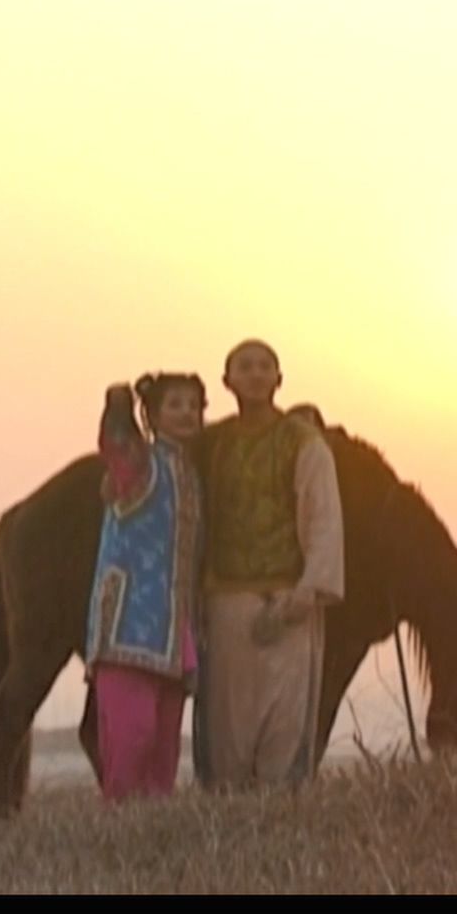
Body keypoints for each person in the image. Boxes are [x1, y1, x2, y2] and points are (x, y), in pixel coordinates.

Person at [191, 339, 345, 787]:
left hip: (288, 600)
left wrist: (308, 589)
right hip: (225, 602)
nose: (256, 374)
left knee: (285, 723)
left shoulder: (304, 442)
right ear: (227, 381)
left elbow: (323, 516)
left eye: (265, 366)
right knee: (227, 729)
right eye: (245, 366)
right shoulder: (211, 444)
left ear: (279, 379)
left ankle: (279, 824)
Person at [83, 373, 206, 802]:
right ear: (151, 415)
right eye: (174, 405)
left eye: (194, 405)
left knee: (163, 746)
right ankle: (119, 827)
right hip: (127, 623)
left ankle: (152, 833)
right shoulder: (142, 466)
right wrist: (119, 405)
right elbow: (117, 445)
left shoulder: (190, 473)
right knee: (131, 736)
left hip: (173, 630)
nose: (187, 413)